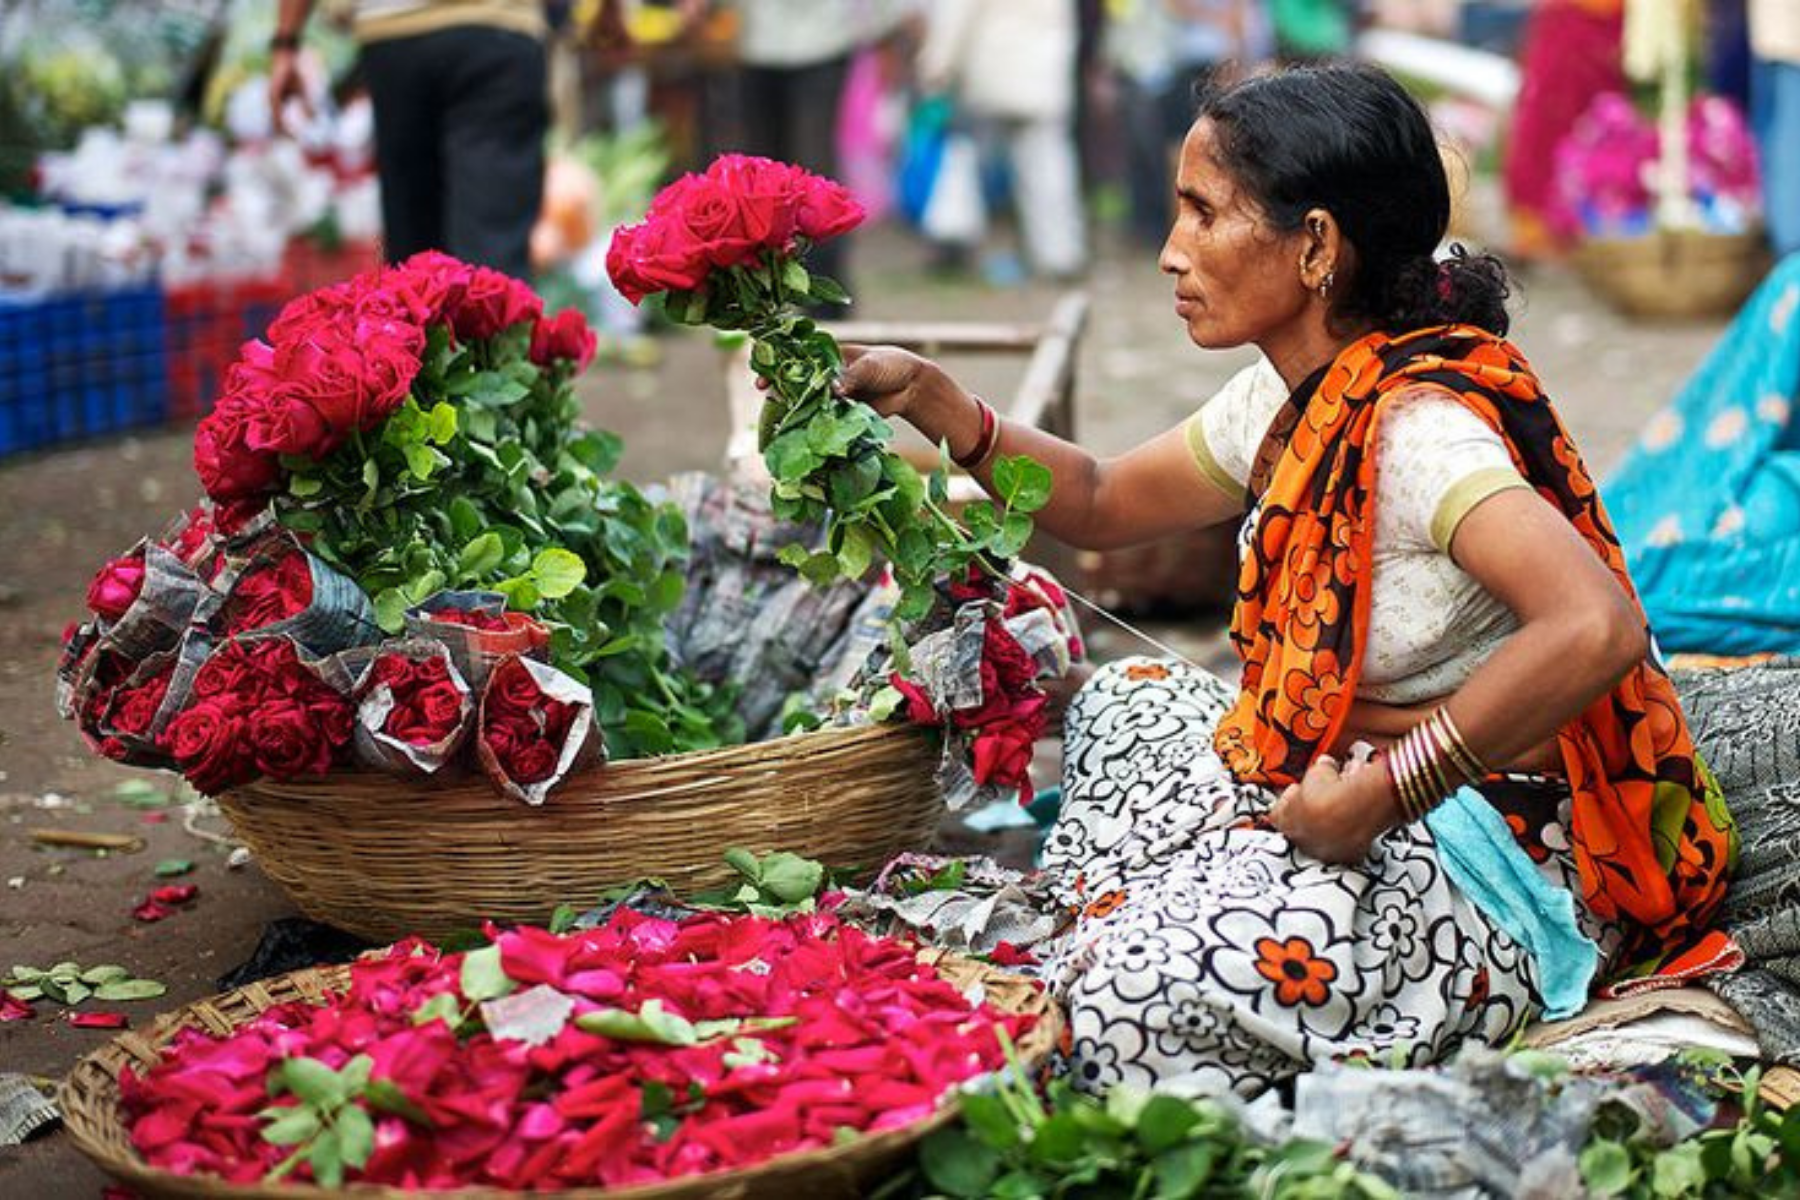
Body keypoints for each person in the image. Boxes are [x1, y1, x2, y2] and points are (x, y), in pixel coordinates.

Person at [837, 63, 1738, 1095]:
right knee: (1127, 702)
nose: (1172, 251)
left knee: (1122, 1008)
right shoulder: (1286, 397)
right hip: (1345, 773)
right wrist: (937, 400)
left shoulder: (1421, 435)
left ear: (1315, 245)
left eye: (1203, 213)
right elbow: (1098, 500)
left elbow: (1596, 626)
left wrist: (1385, 792)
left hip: (1495, 849)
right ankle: (1185, 903)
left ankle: (1201, 938)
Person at [268, 0, 549, 280]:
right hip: (494, 27)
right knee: (491, 259)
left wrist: (286, 43)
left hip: (394, 32)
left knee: (416, 267)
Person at [1501, 0, 1625, 261]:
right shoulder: (1559, 17)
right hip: (1564, 36)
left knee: (1596, 130)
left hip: (1603, 38)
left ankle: (1575, 234)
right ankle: (1540, 231)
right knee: (1543, 125)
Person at [1750, 0, 1800, 258]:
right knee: (1787, 140)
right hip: (1787, 40)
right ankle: (1790, 250)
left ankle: (1787, 248)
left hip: (1776, 35)